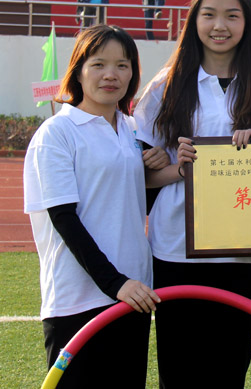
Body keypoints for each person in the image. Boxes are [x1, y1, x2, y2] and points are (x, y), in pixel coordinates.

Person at [133, 0, 251, 388]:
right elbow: (140, 176)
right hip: (176, 250)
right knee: (179, 370)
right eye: (209, 15)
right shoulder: (166, 85)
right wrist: (175, 168)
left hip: (243, 253)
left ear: (248, 21)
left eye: (232, 15)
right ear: (194, 20)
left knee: (229, 369)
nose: (220, 26)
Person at [23, 25, 166, 388]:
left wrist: (169, 165)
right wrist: (115, 283)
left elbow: (131, 203)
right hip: (78, 301)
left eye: (122, 65)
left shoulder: (132, 130)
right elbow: (64, 219)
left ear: (132, 74)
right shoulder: (57, 132)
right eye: (99, 64)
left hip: (132, 296)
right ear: (78, 71)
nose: (110, 75)